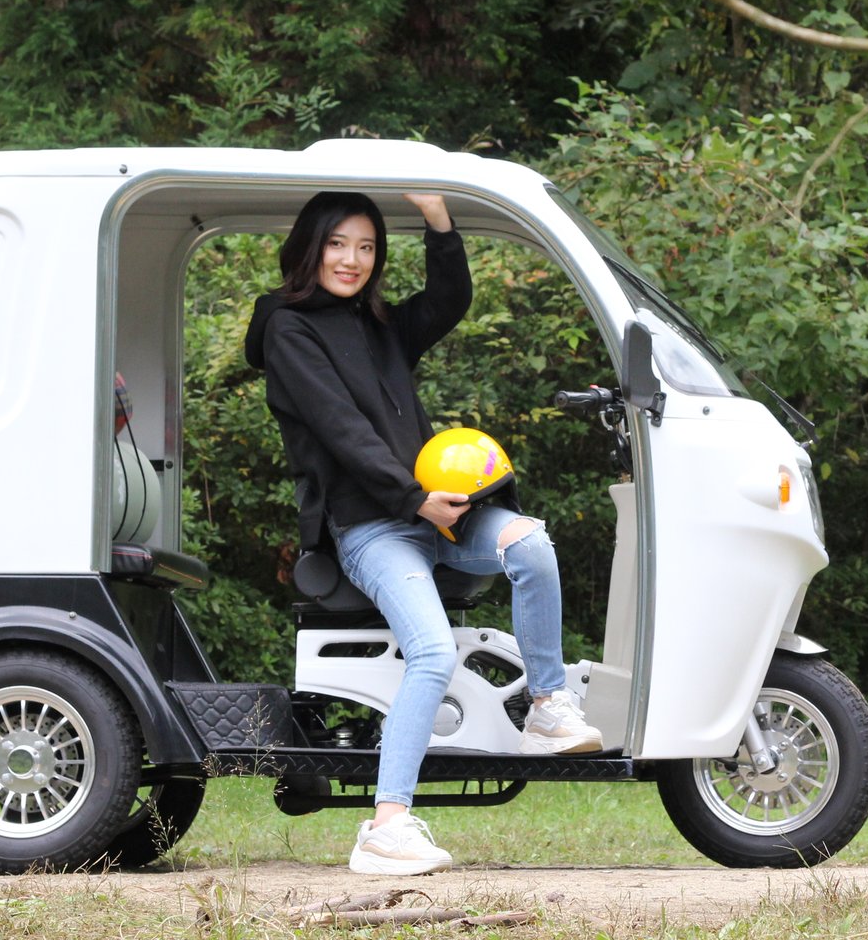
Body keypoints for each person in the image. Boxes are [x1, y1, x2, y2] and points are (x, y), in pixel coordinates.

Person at [244, 189, 602, 876]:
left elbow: (448, 299)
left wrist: (438, 216)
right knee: (432, 652)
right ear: (310, 247)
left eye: (366, 247)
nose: (352, 259)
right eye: (338, 243)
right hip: (372, 524)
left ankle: (548, 706)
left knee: (530, 542)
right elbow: (341, 429)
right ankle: (386, 829)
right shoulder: (289, 330)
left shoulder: (379, 324)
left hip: (439, 512)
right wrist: (414, 501)